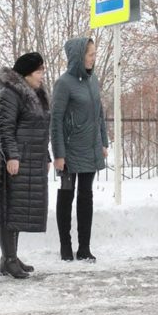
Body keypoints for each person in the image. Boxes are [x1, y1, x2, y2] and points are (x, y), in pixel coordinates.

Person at [0, 52, 50, 278]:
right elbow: (4, 128)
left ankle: (12, 256)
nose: (41, 76)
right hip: (14, 159)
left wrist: (44, 155)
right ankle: (8, 259)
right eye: (38, 72)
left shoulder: (35, 94)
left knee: (18, 210)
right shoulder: (10, 94)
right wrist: (12, 156)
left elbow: (40, 130)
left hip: (31, 158)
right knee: (9, 208)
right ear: (26, 75)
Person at [51, 37, 108, 262]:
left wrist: (103, 141)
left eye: (94, 54)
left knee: (86, 197)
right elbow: (55, 121)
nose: (94, 58)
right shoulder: (64, 84)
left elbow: (99, 114)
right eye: (90, 54)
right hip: (70, 150)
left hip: (90, 147)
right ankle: (66, 245)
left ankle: (84, 247)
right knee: (66, 197)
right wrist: (59, 154)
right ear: (78, 56)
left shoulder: (92, 81)